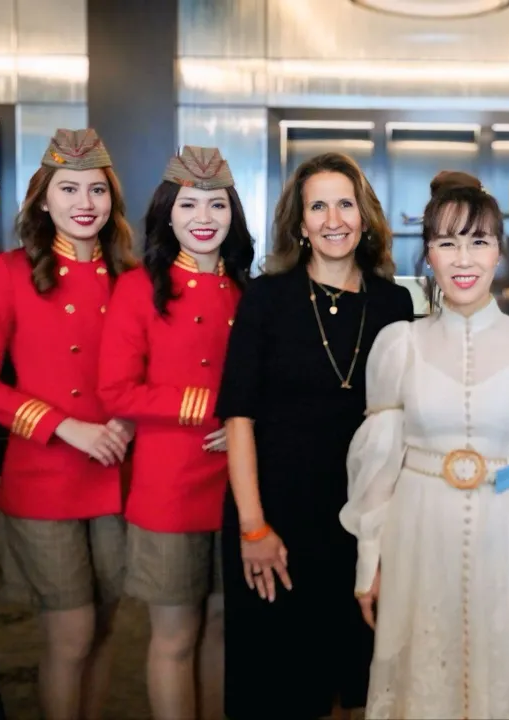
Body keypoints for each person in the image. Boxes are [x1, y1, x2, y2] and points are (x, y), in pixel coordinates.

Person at [339, 169, 509, 719]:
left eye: (478, 242)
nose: (464, 259)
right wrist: (368, 564)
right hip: (416, 534)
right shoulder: (397, 344)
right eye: (447, 243)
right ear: (428, 255)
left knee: (505, 680)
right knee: (422, 679)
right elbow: (378, 468)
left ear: (500, 251)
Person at [215, 152, 413, 720]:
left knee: (358, 678)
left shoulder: (395, 304)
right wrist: (253, 526)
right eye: (317, 206)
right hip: (274, 520)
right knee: (280, 685)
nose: (333, 219)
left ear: (365, 216)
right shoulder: (266, 299)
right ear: (299, 224)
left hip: (361, 522)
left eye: (345, 204)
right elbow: (239, 418)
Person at [0, 128, 136, 720]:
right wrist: (63, 426)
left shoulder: (131, 276)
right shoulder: (9, 272)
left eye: (96, 190)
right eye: (69, 189)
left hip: (118, 475)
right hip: (45, 477)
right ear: (44, 199)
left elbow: (152, 367)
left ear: (112, 201)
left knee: (107, 626)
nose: (85, 203)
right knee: (72, 633)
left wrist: (128, 422)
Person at [97, 146, 254, 720]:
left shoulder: (247, 288)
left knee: (220, 628)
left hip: (238, 486)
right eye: (189, 204)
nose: (204, 217)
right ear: (168, 213)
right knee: (174, 636)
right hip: (168, 487)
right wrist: (213, 408)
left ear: (233, 213)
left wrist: (243, 418)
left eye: (217, 204)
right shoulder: (140, 287)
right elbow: (116, 392)